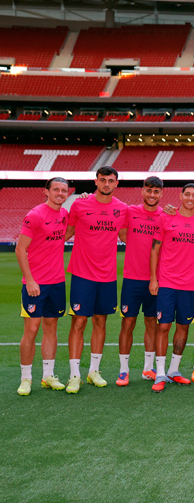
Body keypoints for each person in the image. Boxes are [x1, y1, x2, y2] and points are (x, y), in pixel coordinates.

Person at [64, 166, 128, 394]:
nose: (107, 184)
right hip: (82, 274)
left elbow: (129, 236)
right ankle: (74, 375)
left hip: (108, 275)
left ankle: (94, 371)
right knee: (79, 322)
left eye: (111, 180)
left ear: (116, 183)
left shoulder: (122, 209)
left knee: (101, 322)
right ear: (96, 181)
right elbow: (66, 232)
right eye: (103, 180)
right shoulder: (80, 204)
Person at [149, 183, 194, 393]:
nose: (191, 198)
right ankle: (159, 373)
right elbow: (155, 250)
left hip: (191, 284)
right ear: (181, 195)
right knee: (164, 326)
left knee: (183, 326)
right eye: (188, 194)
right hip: (167, 282)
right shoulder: (166, 217)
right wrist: (153, 278)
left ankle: (174, 371)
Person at [15, 177, 69, 395]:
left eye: (64, 190)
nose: (60, 193)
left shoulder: (64, 215)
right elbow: (20, 249)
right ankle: (26, 378)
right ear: (45, 191)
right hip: (36, 284)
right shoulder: (35, 215)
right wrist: (30, 280)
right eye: (55, 189)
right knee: (32, 330)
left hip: (57, 281)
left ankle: (48, 375)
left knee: (51, 327)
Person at [116, 176, 163, 386]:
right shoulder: (129, 211)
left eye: (156, 192)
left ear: (161, 194)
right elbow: (123, 234)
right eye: (149, 190)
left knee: (152, 322)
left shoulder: (165, 215)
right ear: (142, 191)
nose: (152, 195)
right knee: (128, 322)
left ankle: (148, 368)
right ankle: (123, 370)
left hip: (157, 279)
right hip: (132, 278)